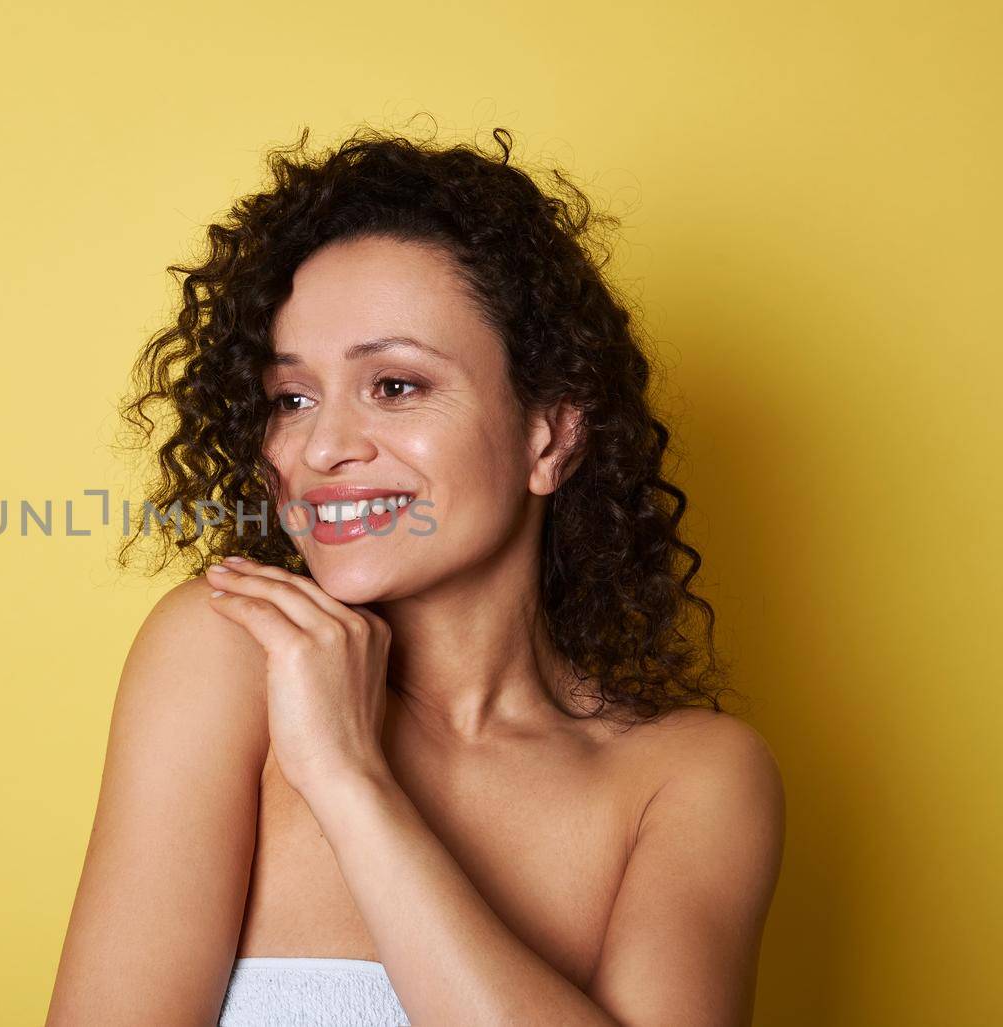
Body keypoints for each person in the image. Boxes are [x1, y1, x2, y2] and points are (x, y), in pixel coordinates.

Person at [44, 122, 785, 1026]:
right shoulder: (232, 651)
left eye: (395, 386)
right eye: (293, 398)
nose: (322, 446)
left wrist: (353, 784)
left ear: (549, 435)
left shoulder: (691, 781)